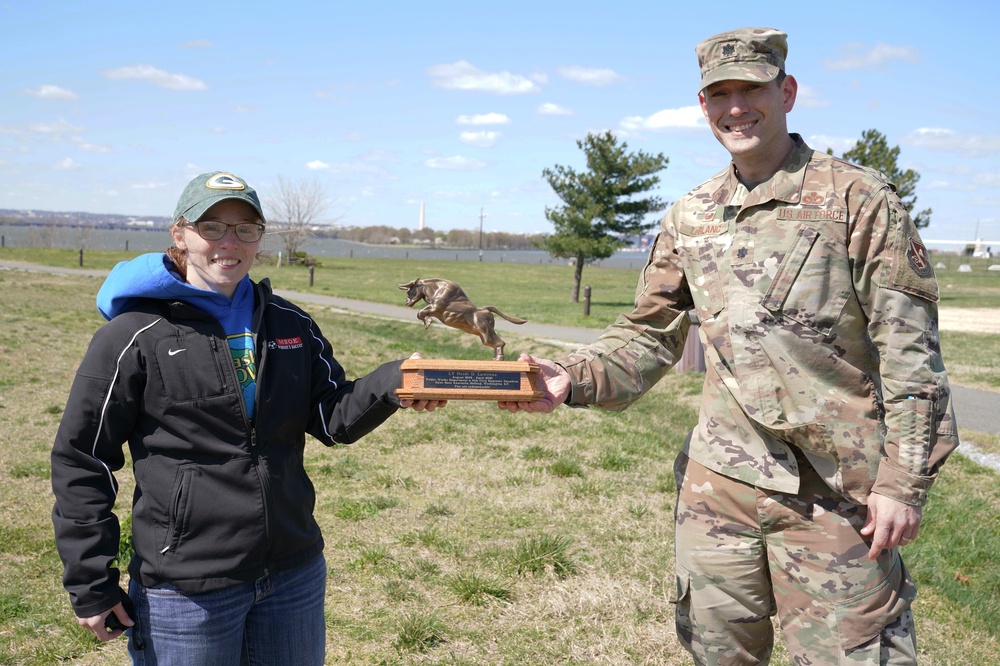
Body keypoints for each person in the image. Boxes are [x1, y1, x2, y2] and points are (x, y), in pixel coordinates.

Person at [501, 28, 958, 665]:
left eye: (752, 88)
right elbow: (650, 333)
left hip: (836, 495)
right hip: (719, 487)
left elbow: (911, 352)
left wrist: (903, 483)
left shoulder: (858, 201)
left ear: (788, 92)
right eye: (721, 93)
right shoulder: (692, 214)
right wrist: (568, 377)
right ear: (704, 105)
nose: (736, 106)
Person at [51, 171, 445, 665]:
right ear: (180, 234)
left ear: (260, 238)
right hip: (186, 588)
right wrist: (90, 579)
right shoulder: (134, 335)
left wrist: (393, 383)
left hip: (292, 574)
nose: (229, 243)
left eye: (246, 229)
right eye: (212, 227)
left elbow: (332, 419)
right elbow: (82, 459)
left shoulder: (289, 323)